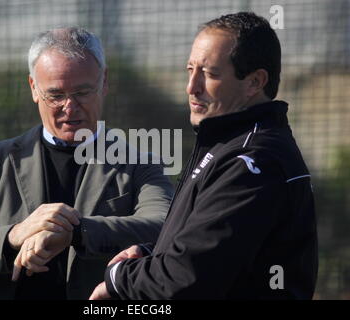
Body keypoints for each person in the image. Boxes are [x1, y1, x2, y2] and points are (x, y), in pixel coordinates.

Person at [0, 27, 173, 300]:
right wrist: (14, 236)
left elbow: (166, 228)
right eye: (55, 95)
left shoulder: (140, 165)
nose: (69, 107)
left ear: (104, 82)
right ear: (33, 88)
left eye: (82, 92)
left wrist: (77, 232)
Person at [90, 12, 318, 300]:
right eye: (190, 70)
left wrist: (118, 278)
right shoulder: (227, 144)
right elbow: (212, 252)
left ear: (255, 82)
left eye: (209, 74)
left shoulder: (252, 162)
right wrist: (151, 254)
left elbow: (186, 278)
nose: (191, 87)